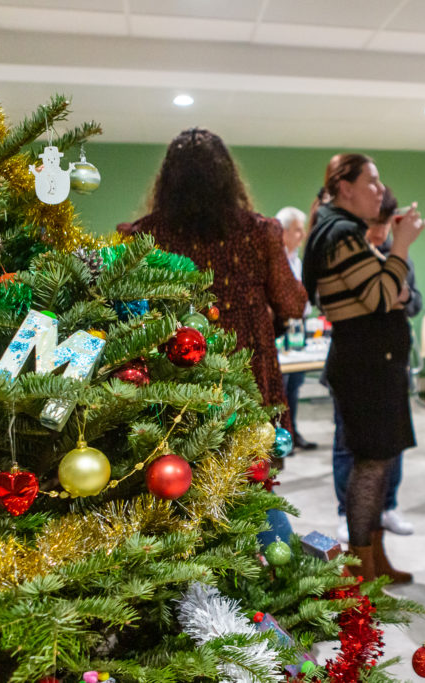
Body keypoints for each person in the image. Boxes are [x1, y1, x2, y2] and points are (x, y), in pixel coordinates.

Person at [121, 128, 307, 547]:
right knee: (252, 482)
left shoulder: (145, 235)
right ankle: (262, 582)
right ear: (229, 178)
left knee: (178, 482)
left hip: (176, 380)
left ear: (167, 181)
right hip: (248, 376)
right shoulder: (261, 232)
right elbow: (294, 305)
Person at [302, 153, 425, 582]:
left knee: (381, 462)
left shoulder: (346, 234)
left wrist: (392, 284)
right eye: (371, 182)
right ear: (344, 187)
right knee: (370, 465)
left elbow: (399, 293)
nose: (379, 189)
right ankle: (360, 568)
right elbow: (380, 297)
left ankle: (376, 558)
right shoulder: (341, 235)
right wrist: (403, 246)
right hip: (365, 369)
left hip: (376, 366)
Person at [331, 187, 422, 547]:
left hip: (391, 368)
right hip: (359, 369)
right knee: (350, 447)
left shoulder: (399, 256)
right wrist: (389, 297)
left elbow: (413, 300)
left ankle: (386, 508)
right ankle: (348, 515)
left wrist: (404, 297)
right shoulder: (349, 254)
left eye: (386, 223)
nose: (380, 231)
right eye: (374, 223)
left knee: (390, 449)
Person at [275, 206, 318, 451]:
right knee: (282, 381)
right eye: (298, 231)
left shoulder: (298, 261)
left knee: (296, 382)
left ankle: (292, 431)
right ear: (284, 233)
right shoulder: (277, 261)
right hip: (281, 328)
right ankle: (280, 436)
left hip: (299, 327)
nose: (302, 236)